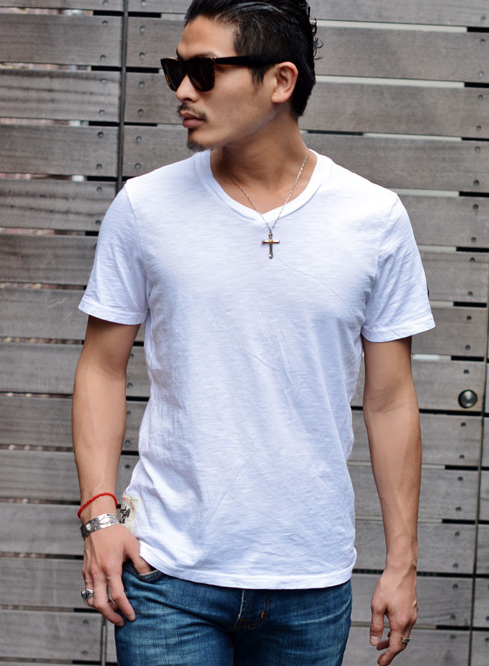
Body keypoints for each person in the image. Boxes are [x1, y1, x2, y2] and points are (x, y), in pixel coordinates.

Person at [72, 1, 435, 664]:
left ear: (280, 81)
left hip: (309, 582)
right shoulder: (144, 208)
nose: (183, 91)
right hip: (165, 572)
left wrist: (402, 563)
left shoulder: (374, 218)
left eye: (205, 72)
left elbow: (389, 400)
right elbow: (101, 366)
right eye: (176, 71)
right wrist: (99, 516)